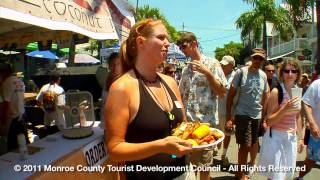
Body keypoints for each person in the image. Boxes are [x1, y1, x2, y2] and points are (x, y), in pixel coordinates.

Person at [104, 19, 194, 180]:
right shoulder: (122, 88)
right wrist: (160, 146)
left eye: (167, 38)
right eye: (160, 38)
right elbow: (115, 150)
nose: (167, 43)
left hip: (183, 173)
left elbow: (183, 127)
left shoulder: (171, 82)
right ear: (141, 42)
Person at [178, 31, 226, 180]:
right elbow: (181, 96)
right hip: (188, 128)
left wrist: (208, 74)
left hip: (206, 125)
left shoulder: (212, 64)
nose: (182, 50)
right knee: (189, 168)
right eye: (180, 47)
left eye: (184, 46)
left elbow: (222, 91)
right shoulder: (186, 69)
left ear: (194, 44)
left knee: (204, 168)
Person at [226, 48, 268, 180]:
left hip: (257, 115)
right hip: (243, 114)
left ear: (263, 60)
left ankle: (240, 173)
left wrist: (264, 116)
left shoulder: (263, 75)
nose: (257, 60)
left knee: (252, 144)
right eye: (255, 57)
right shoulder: (241, 72)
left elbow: (265, 95)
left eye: (260, 58)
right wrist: (229, 118)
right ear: (251, 58)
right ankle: (240, 175)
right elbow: (230, 96)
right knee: (245, 146)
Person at [258, 59, 303, 180]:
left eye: (293, 71)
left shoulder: (297, 91)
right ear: (281, 73)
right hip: (276, 139)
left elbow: (297, 116)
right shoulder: (277, 91)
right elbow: (270, 121)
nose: (290, 74)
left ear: (297, 73)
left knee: (283, 176)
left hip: (291, 139)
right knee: (275, 177)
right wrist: (285, 109)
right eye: (286, 71)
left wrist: (301, 138)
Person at [0, 63, 29, 152]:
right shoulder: (20, 81)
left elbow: (6, 104)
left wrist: (3, 123)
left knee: (13, 147)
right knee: (24, 144)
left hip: (13, 120)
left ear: (3, 73)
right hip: (22, 116)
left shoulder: (6, 83)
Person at [296, 78, 320, 179]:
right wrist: (312, 122)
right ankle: (300, 177)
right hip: (317, 132)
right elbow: (306, 102)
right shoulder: (317, 84)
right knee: (310, 160)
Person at [217, 55, 236, 166]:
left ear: (231, 66)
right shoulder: (218, 75)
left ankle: (224, 155)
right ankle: (215, 150)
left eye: (225, 65)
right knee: (216, 133)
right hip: (216, 110)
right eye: (222, 64)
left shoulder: (235, 77)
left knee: (227, 133)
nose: (222, 66)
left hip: (228, 111)